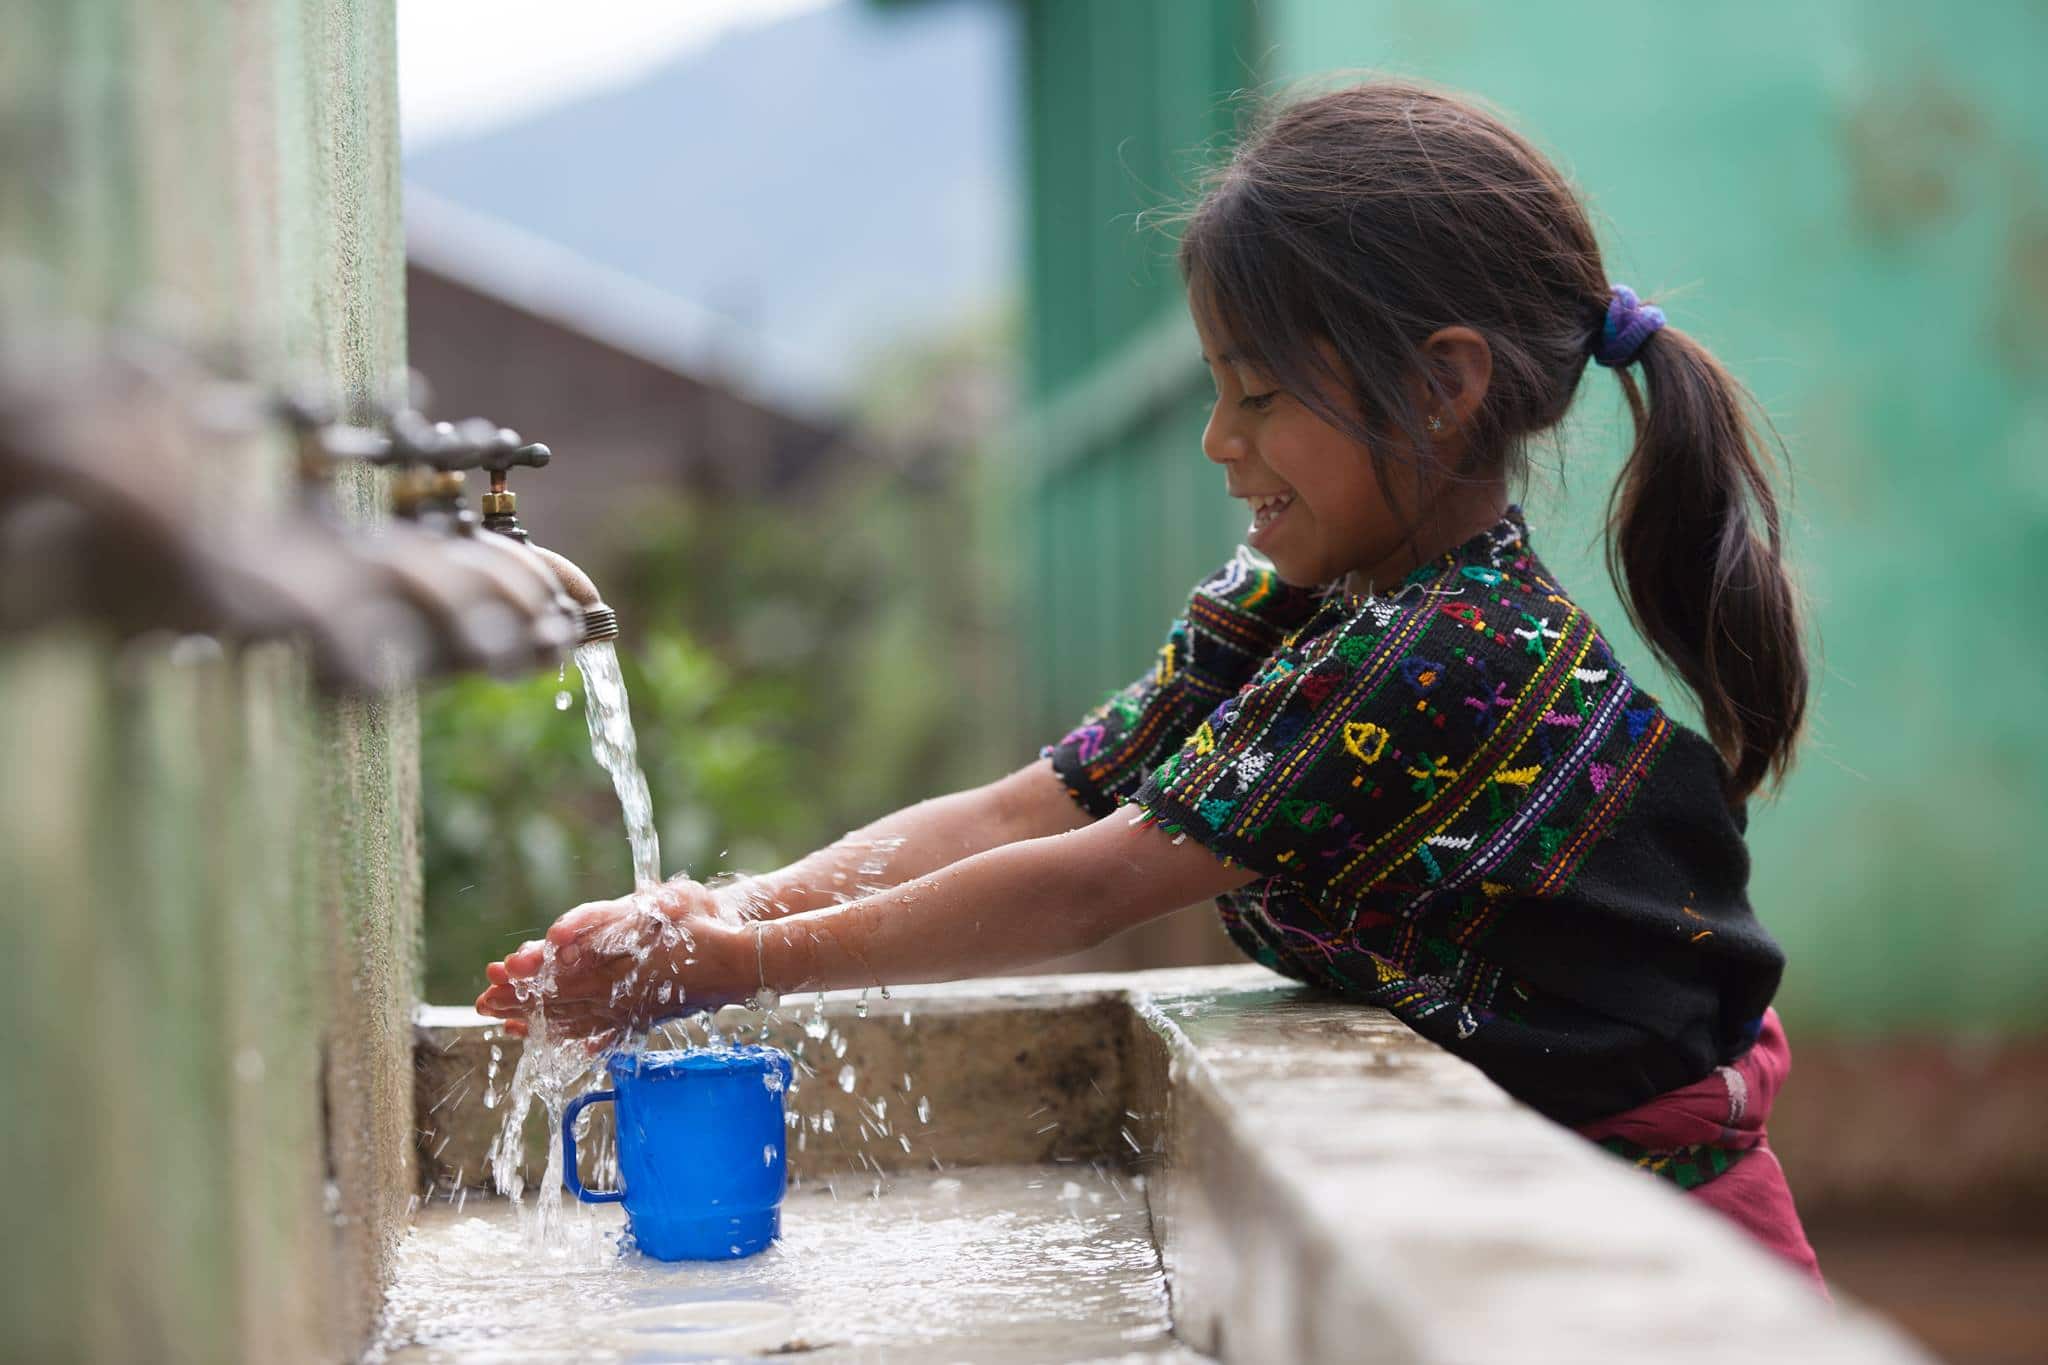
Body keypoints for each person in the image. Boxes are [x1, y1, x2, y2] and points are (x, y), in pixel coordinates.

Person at [476, 79, 1825, 1291]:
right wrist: (722, 909)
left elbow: (1091, 880)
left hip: (1667, 1237)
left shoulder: (1446, 658)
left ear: (1442, 388)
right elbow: (1032, 811)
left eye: (1257, 395)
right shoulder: (1293, 600)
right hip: (1541, 1197)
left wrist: (732, 967)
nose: (1218, 441)